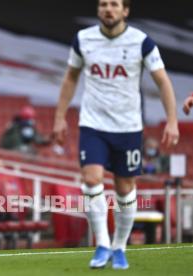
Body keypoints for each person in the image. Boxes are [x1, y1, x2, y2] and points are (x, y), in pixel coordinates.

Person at [53, 0, 179, 270]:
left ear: (125, 11)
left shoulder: (141, 42)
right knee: (91, 179)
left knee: (125, 188)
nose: (108, 9)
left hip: (128, 127)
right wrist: (60, 118)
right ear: (99, 10)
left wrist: (171, 121)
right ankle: (102, 244)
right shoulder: (83, 39)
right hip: (93, 124)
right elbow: (70, 77)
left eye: (114, 4)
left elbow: (162, 80)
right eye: (103, 4)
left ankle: (120, 247)